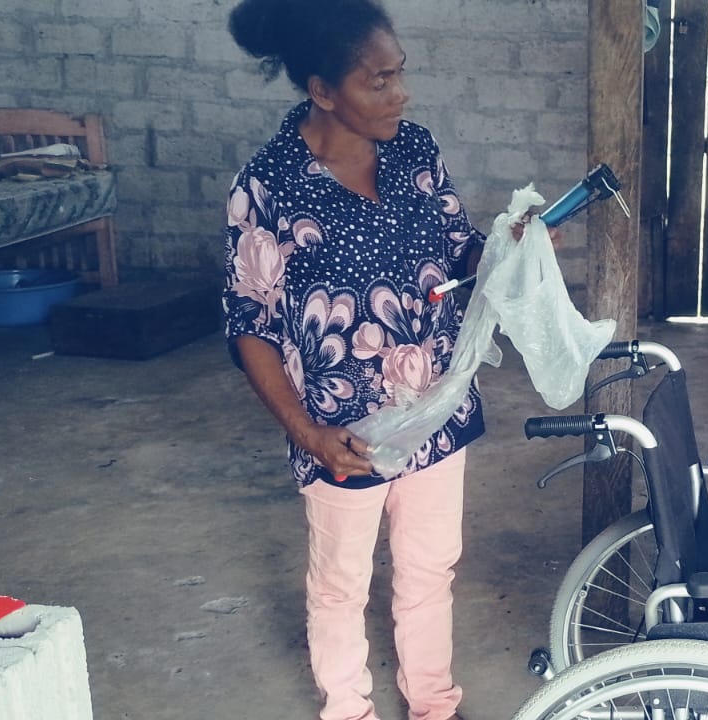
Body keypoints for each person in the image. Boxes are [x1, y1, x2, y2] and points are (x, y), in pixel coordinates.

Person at [223, 0, 483, 717]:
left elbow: (461, 249)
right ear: (323, 90)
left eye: (400, 75)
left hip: (436, 408)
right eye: (380, 80)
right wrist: (308, 433)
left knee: (430, 568)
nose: (401, 94)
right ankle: (349, 708)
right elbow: (250, 325)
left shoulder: (415, 151)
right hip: (344, 431)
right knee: (340, 584)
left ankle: (434, 703)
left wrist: (510, 248)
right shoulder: (267, 187)